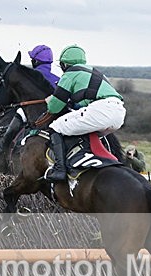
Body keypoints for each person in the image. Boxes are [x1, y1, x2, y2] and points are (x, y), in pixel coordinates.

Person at [45, 44, 126, 181]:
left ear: (64, 64)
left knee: (56, 127)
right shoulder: (94, 72)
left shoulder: (70, 74)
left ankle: (60, 170)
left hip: (101, 110)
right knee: (87, 134)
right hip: (118, 112)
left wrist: (50, 101)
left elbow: (54, 107)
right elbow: (83, 102)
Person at [0, 44, 60, 155]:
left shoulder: (32, 76)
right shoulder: (58, 78)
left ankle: (3, 145)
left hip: (38, 114)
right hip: (57, 113)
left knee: (20, 112)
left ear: (36, 61)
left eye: (32, 59)